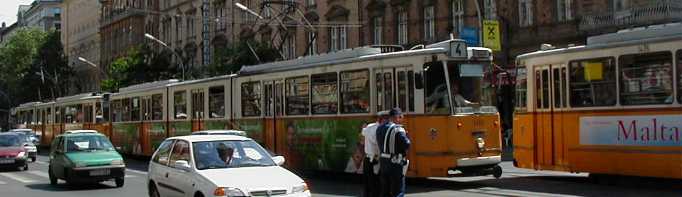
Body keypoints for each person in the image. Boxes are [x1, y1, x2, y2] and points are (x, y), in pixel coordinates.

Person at [376, 108, 411, 197]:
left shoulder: (379, 128)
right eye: (401, 117)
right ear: (397, 117)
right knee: (398, 191)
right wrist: (407, 137)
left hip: (383, 161)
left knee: (385, 190)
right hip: (395, 162)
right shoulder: (398, 129)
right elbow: (407, 144)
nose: (401, 119)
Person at [361, 111, 389, 197]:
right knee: (376, 185)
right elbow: (378, 142)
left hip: (367, 159)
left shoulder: (369, 126)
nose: (388, 122)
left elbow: (363, 132)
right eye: (387, 120)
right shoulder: (380, 129)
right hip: (376, 160)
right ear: (383, 120)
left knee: (367, 185)